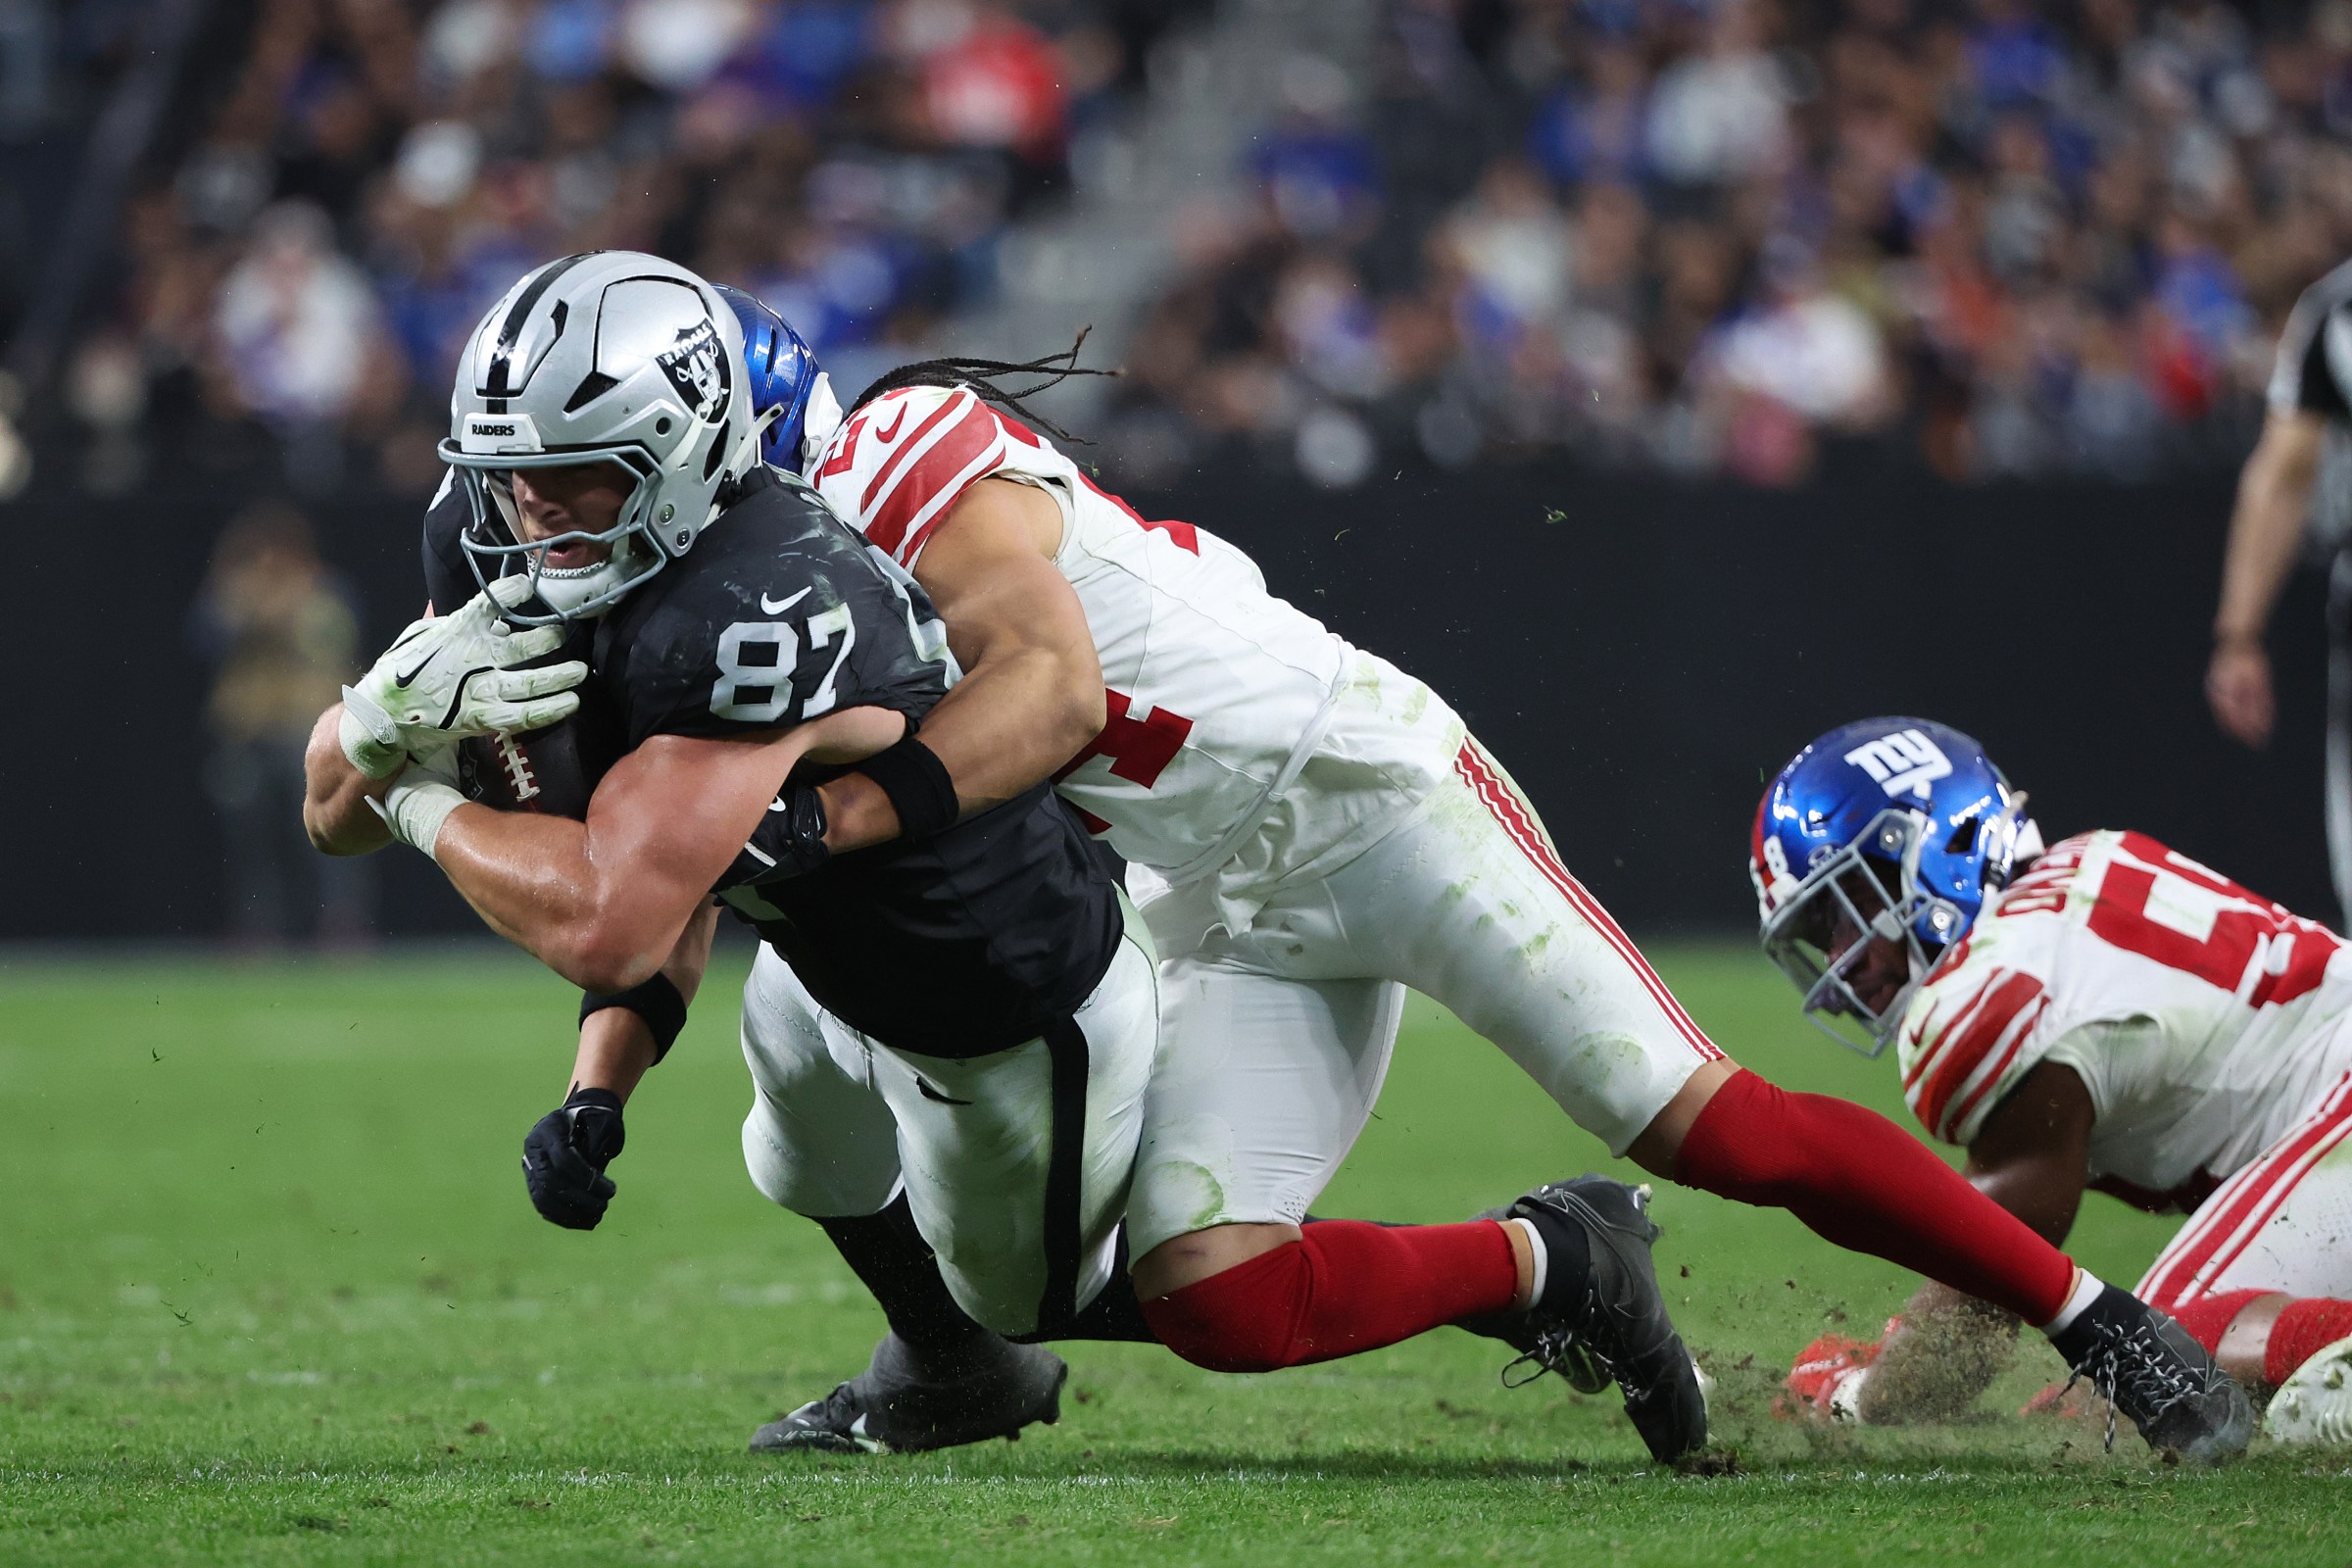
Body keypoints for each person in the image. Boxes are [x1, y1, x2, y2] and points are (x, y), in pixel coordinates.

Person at [693, 290, 2250, 1462]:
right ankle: (1558, 1261)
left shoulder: (894, 458)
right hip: (1216, 900)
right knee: (1211, 1297)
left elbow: (1058, 689)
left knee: (1705, 1122)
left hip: (1371, 795)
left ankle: (2102, 1323)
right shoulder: (790, 606)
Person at [300, 251, 1703, 1463]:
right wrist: (588, 1075)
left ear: (682, 456)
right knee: (795, 1142)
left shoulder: (756, 607)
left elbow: (615, 908)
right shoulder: (519, 541)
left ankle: (1548, 1262)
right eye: (510, 479)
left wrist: (409, 783)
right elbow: (490, 838)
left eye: (574, 478)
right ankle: (948, 1367)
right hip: (830, 942)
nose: (532, 518)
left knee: (1129, 1295)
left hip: (1001, 988)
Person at [1754, 717, 2352, 1446]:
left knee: (2158, 1368)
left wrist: (1858, 1392)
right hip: (2329, 1108)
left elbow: (1990, 1286)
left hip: (2339, 1105)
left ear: (1938, 850)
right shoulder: (2079, 869)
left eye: (1849, 906)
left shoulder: (1988, 990)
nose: (1841, 959)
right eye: (1822, 933)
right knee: (2094, 1397)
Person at [2206, 260, 2352, 918]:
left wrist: (2240, 636)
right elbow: (2285, 474)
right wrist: (2239, 634)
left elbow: (2285, 473)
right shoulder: (2335, 312)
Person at [190, 500, 373, 948]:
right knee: (252, 839)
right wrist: (247, 599)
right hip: (249, 731)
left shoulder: (324, 592)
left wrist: (287, 606)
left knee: (333, 830)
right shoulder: (234, 594)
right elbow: (204, 638)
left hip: (309, 733)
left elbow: (337, 640)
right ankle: (258, 928)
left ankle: (341, 926)